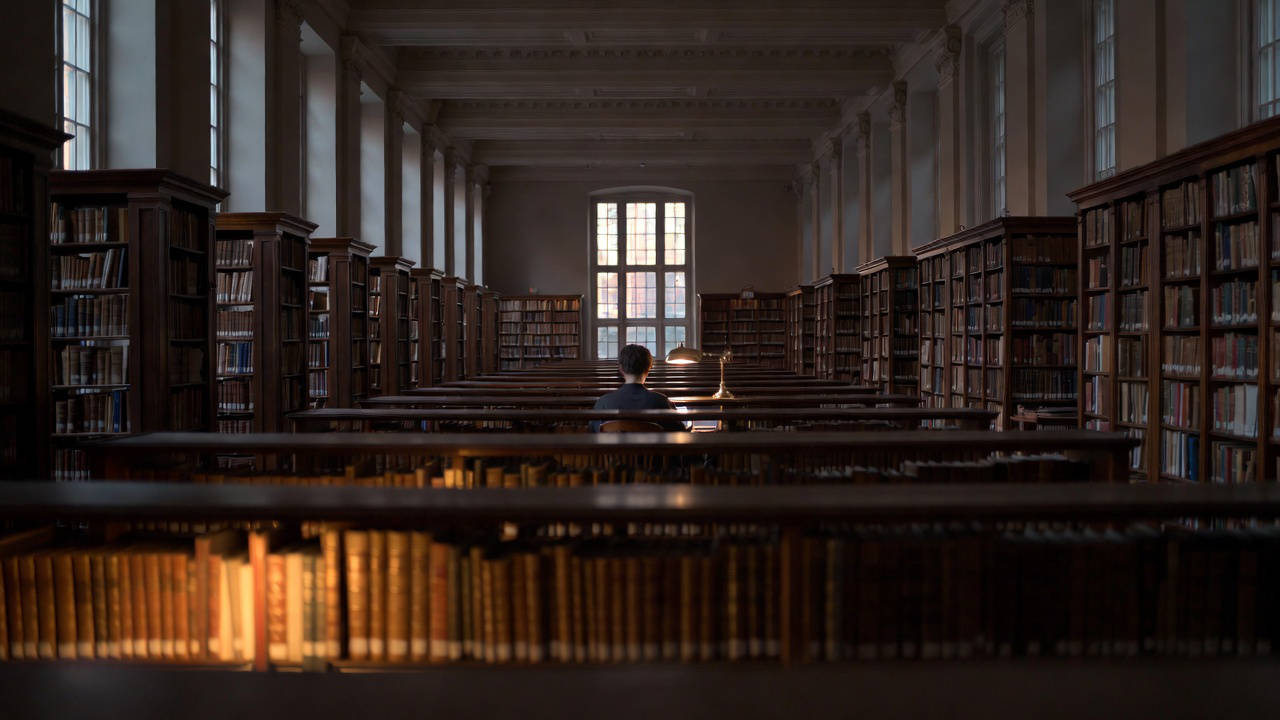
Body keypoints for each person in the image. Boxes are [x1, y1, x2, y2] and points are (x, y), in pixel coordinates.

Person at [591, 344, 688, 431]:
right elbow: (679, 431)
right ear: (649, 368)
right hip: (653, 451)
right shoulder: (661, 401)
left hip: (613, 451)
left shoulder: (603, 402)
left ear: (620, 369)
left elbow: (594, 431)